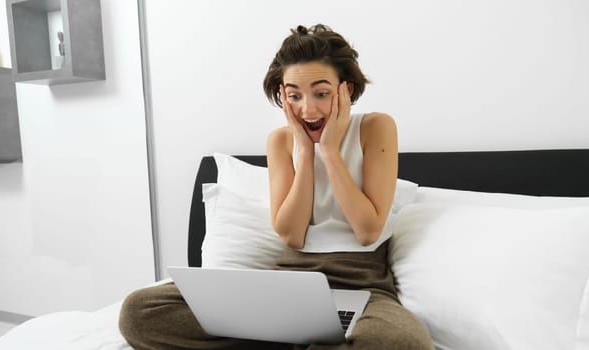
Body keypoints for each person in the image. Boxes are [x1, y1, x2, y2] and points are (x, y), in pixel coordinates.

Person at [118, 24, 432, 350]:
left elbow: (367, 231)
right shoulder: (282, 141)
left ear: (345, 90)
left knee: (402, 344)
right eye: (294, 96)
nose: (307, 110)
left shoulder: (376, 127)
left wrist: (329, 150)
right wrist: (306, 154)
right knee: (140, 312)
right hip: (286, 286)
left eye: (321, 93)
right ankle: (283, 336)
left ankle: (276, 341)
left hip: (362, 287)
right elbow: (292, 234)